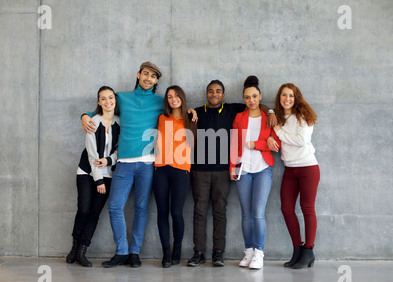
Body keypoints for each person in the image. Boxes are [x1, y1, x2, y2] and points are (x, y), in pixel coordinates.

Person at [81, 62, 196, 268]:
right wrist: (85, 116)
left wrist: (192, 112)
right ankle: (122, 251)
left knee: (141, 208)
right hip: (124, 163)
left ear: (156, 81)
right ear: (138, 74)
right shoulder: (122, 98)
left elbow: (178, 107)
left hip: (148, 164)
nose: (148, 79)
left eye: (153, 77)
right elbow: (103, 106)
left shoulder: (162, 102)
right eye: (146, 74)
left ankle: (134, 253)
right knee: (115, 207)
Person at [187, 80, 277, 267]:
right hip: (202, 170)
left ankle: (219, 254)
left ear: (224, 94)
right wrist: (190, 112)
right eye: (210, 91)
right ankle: (199, 253)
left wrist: (270, 111)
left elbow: (257, 106)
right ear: (206, 94)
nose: (214, 94)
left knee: (221, 212)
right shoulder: (198, 112)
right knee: (200, 212)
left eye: (218, 91)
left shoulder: (233, 110)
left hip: (224, 171)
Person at [229, 76, 281, 269]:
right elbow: (234, 144)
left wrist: (257, 144)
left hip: (262, 170)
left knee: (258, 213)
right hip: (243, 170)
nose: (251, 100)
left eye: (254, 96)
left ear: (260, 97)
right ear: (244, 99)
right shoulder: (239, 118)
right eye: (247, 97)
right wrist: (232, 168)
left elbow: (276, 144)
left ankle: (259, 253)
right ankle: (248, 252)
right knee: (245, 214)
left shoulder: (269, 117)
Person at [66, 86, 120, 267]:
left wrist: (109, 160)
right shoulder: (92, 122)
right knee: (84, 210)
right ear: (99, 102)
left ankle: (82, 251)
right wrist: (98, 180)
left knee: (94, 214)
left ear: (115, 100)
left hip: (108, 173)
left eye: (110, 98)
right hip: (87, 172)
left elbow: (120, 150)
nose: (107, 102)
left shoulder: (120, 123)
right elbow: (92, 154)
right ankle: (74, 247)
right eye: (103, 98)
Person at [273, 83, 320, 269]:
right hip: (290, 169)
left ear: (296, 97)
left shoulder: (304, 116)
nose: (287, 99)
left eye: (291, 96)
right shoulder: (279, 117)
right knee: (286, 209)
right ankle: (297, 249)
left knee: (307, 208)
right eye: (284, 95)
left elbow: (302, 141)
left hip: (308, 168)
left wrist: (277, 131)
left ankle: (309, 251)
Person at [153, 86, 197, 268]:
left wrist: (192, 113)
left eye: (177, 95)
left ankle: (177, 249)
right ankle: (166, 253)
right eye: (170, 96)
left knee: (176, 212)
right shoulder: (161, 118)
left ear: (182, 97)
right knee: (162, 212)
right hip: (161, 169)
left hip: (181, 170)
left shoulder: (190, 118)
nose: (173, 99)